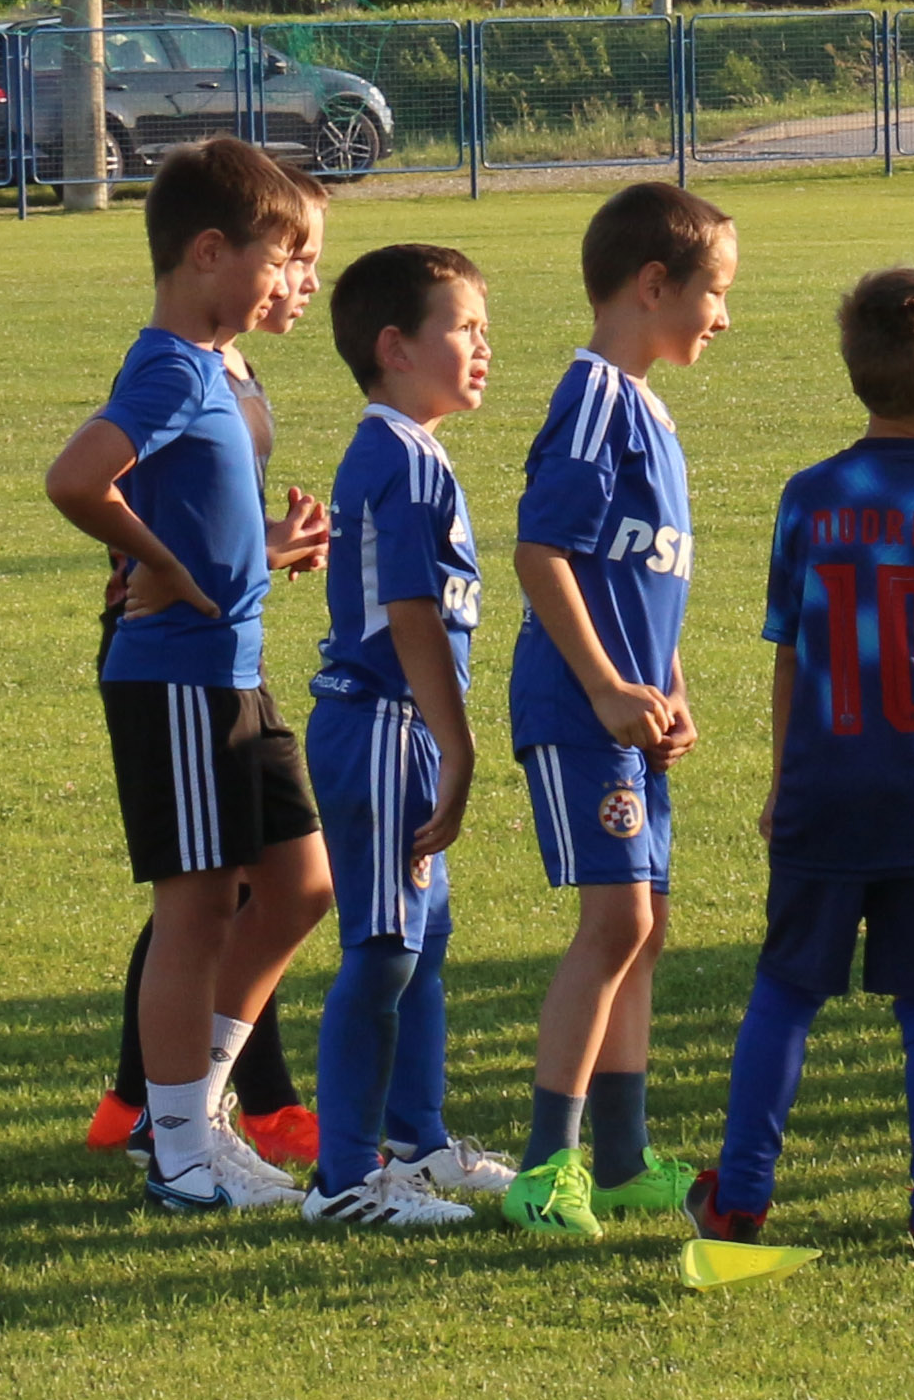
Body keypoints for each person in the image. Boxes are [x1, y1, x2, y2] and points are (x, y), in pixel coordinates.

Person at [692, 268, 914, 1254]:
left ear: (855, 374)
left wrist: (781, 776)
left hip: (824, 784)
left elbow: (794, 651)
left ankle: (743, 1198)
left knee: (787, 993)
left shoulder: (810, 498)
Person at [44, 138, 334, 1211]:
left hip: (234, 669)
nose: (288, 280)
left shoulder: (216, 369)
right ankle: (176, 1150)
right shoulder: (170, 363)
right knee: (199, 906)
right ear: (209, 251)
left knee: (302, 885)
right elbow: (76, 481)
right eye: (278, 257)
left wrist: (270, 547)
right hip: (174, 677)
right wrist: (154, 564)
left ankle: (199, 1111)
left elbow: (199, 523)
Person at [500, 180, 736, 1235]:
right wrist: (602, 685)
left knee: (648, 927)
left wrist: (669, 683)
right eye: (714, 292)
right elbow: (542, 552)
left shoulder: (648, 406)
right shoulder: (594, 398)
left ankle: (628, 1156)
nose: (722, 315)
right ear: (654, 285)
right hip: (575, 709)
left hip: (633, 716)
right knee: (617, 920)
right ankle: (547, 1169)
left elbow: (643, 571)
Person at [299, 243, 507, 1227]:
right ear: (395, 347)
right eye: (463, 327)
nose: (483, 346)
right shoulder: (401, 459)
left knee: (422, 941)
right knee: (383, 946)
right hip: (385, 726)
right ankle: (344, 1176)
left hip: (392, 727)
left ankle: (418, 1143)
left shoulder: (409, 451)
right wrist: (454, 745)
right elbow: (412, 614)